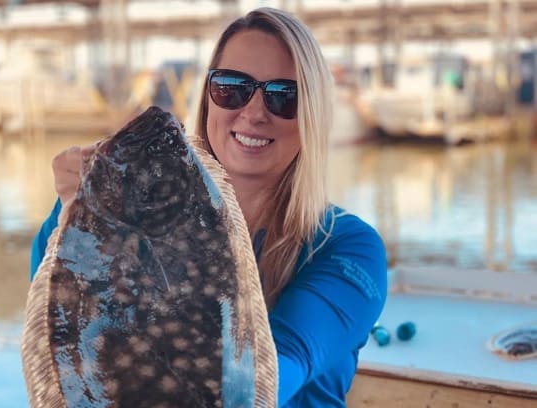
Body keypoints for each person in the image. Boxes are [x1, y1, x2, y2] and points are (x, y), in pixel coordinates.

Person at [30, 7, 387, 407]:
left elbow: (279, 372)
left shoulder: (347, 248)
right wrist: (76, 219)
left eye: (284, 97)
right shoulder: (92, 212)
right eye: (232, 87)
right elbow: (62, 340)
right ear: (207, 97)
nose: (253, 113)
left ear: (313, 114)